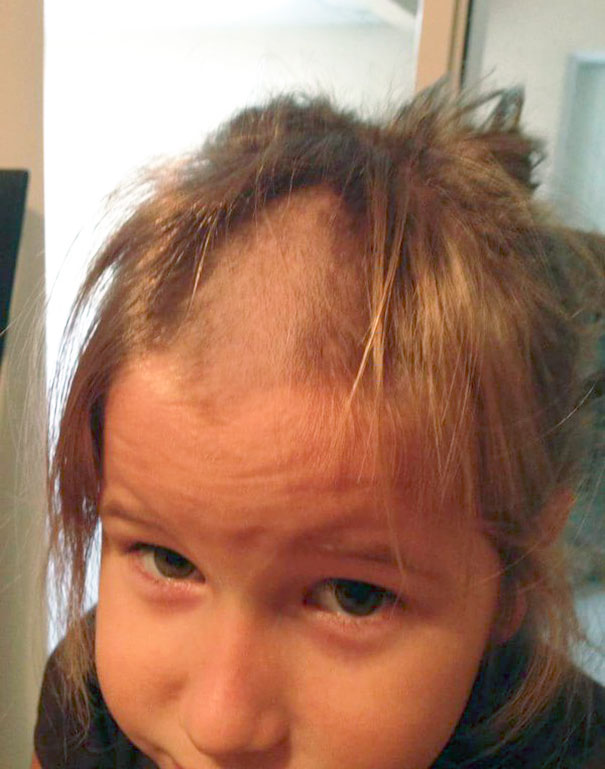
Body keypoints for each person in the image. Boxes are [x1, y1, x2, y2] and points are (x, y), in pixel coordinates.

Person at [32, 85, 604, 769]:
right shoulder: (88, 707)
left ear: (515, 581)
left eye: (354, 596)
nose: (222, 724)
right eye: (169, 559)